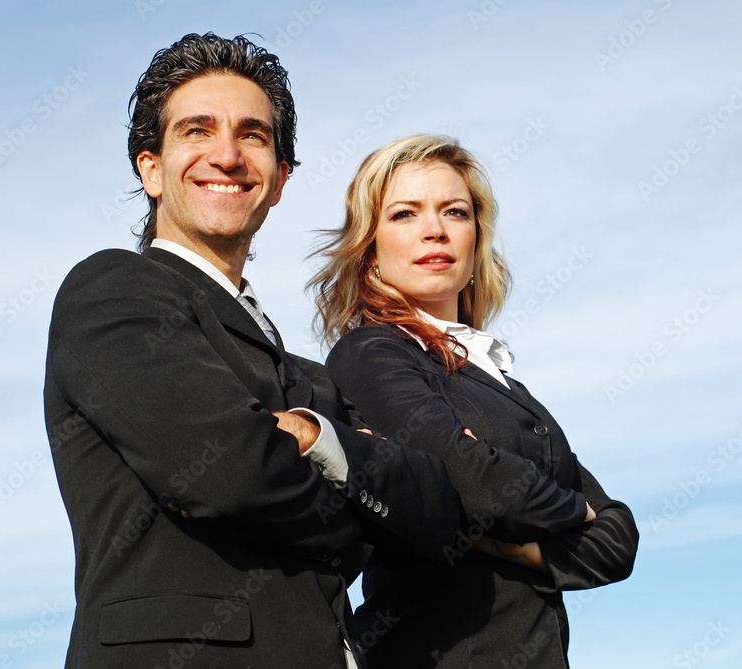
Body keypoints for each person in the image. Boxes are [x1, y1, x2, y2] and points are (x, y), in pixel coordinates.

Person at [44, 34, 463, 668]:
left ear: (280, 180)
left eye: (253, 135)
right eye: (197, 130)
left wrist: (312, 440)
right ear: (150, 169)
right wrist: (358, 507)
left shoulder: (311, 379)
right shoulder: (113, 290)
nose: (227, 155)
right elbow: (231, 475)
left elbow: (434, 508)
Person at [311, 134, 640, 668]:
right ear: (370, 250)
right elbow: (474, 483)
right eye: (404, 214)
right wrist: (574, 511)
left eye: (455, 212)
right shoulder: (370, 353)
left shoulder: (503, 382)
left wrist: (513, 544)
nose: (434, 230)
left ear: (475, 242)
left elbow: (618, 542)